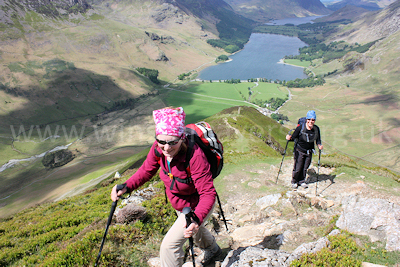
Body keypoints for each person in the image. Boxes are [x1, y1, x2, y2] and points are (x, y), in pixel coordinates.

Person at [110, 107, 221, 267]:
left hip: (196, 205)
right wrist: (126, 187)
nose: (167, 148)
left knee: (169, 247)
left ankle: (208, 248)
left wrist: (196, 217)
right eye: (161, 141)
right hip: (179, 203)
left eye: (173, 142)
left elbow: (208, 193)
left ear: (181, 138)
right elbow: (146, 171)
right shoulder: (157, 148)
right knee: (194, 231)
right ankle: (214, 251)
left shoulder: (195, 156)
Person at [286, 110, 323, 189]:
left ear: (314, 120)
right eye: (309, 119)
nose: (311, 121)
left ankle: (302, 181)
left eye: (312, 120)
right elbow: (294, 137)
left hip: (309, 151)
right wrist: (289, 138)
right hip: (299, 150)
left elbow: (318, 140)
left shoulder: (316, 129)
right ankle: (294, 181)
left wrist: (319, 145)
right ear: (306, 119)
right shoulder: (301, 127)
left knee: (305, 167)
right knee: (298, 167)